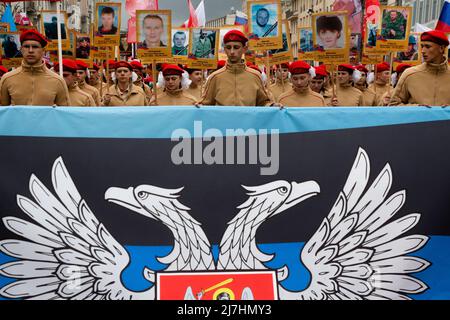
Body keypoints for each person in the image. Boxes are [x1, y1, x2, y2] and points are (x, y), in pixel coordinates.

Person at [199, 30, 273, 107]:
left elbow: (263, 103)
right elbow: (206, 104)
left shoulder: (255, 76)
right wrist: (199, 106)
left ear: (244, 49)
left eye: (236, 47)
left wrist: (272, 106)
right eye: (228, 47)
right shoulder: (215, 77)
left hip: (249, 119)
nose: (232, 51)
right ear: (224, 49)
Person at [0, 29, 70, 106]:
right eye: (26, 46)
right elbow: (3, 113)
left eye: (35, 47)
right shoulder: (7, 79)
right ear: (21, 49)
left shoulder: (58, 81)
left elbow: (65, 113)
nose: (30, 50)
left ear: (43, 51)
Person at [390, 30, 450, 107]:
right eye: (422, 46)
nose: (422, 51)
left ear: (441, 48)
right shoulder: (409, 74)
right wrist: (417, 109)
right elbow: (393, 105)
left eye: (428, 47)